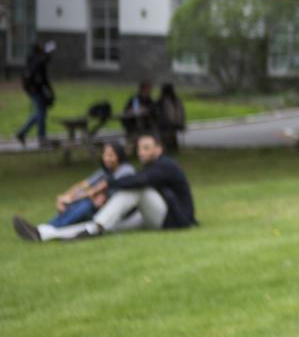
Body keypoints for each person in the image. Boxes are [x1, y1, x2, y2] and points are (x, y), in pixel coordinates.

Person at [19, 131, 198, 241]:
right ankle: (44, 233)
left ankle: (95, 228)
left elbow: (138, 181)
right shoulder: (150, 167)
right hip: (155, 216)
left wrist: (107, 186)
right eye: (139, 148)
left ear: (159, 149)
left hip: (175, 221)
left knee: (138, 189)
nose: (141, 152)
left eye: (146, 148)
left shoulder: (166, 165)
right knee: (111, 226)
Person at [12, 142, 136, 240]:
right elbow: (83, 185)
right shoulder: (104, 172)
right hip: (99, 209)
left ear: (119, 155)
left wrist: (69, 199)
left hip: (116, 215)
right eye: (104, 154)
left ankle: (42, 231)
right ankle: (42, 230)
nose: (106, 158)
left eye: (110, 155)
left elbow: (97, 190)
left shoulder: (126, 170)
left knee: (86, 202)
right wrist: (65, 197)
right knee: (80, 203)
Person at [15, 41, 55, 147]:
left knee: (40, 113)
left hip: (35, 90)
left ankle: (22, 133)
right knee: (41, 114)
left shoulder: (34, 60)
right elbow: (43, 76)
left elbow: (44, 78)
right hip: (36, 90)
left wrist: (50, 91)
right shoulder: (38, 60)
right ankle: (41, 138)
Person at [156, 83, 187, 153]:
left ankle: (167, 147)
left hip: (169, 124)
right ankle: (171, 148)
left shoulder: (162, 100)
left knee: (167, 133)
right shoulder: (176, 99)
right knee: (169, 134)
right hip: (174, 124)